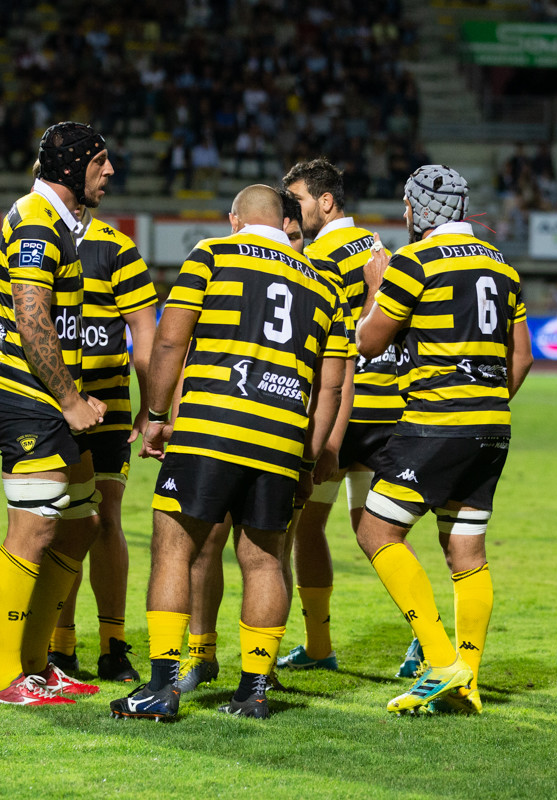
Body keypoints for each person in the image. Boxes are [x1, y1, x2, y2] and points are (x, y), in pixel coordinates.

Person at [108, 184, 348, 721]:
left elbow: (170, 341)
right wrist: (308, 461)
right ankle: (254, 690)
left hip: (209, 429)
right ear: (283, 222)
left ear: (236, 219)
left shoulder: (212, 255)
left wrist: (154, 417)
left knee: (175, 548)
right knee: (264, 561)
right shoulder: (324, 285)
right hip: (282, 438)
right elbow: (329, 389)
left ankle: (163, 687)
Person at [354, 164, 532, 716]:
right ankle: (467, 680)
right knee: (465, 551)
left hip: (435, 419)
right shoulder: (503, 266)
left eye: (409, 206)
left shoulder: (413, 261)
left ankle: (440, 659)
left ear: (421, 210)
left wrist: (376, 289)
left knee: (376, 530)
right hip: (492, 425)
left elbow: (369, 343)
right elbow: (521, 355)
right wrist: (488, 402)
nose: (406, 215)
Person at [174, 188, 353, 696]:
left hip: (282, 437)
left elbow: (337, 381)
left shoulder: (314, 284)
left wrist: (322, 452)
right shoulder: (256, 272)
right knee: (207, 545)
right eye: (287, 236)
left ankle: (261, 663)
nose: (291, 246)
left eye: (298, 239)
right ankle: (201, 654)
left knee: (271, 551)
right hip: (230, 427)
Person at [0, 122, 111, 706]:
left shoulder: (56, 222)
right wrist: (72, 399)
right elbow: (29, 318)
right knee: (33, 530)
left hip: (47, 400)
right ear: (72, 166)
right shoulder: (35, 219)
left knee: (80, 521)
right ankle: (5, 676)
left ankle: (36, 663)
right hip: (29, 400)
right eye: (100, 163)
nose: (109, 173)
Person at [271, 157, 387, 674]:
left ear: (325, 201)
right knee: (377, 533)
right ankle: (418, 644)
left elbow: (314, 338)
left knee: (296, 527)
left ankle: (316, 646)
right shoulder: (375, 243)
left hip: (336, 408)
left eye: (294, 200)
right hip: (385, 403)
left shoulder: (318, 256)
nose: (287, 210)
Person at [46, 195, 159, 685]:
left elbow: (145, 337)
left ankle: (113, 647)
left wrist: (155, 409)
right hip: (46, 404)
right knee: (58, 520)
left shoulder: (117, 248)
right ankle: (60, 647)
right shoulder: (28, 239)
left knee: (103, 518)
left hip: (107, 404)